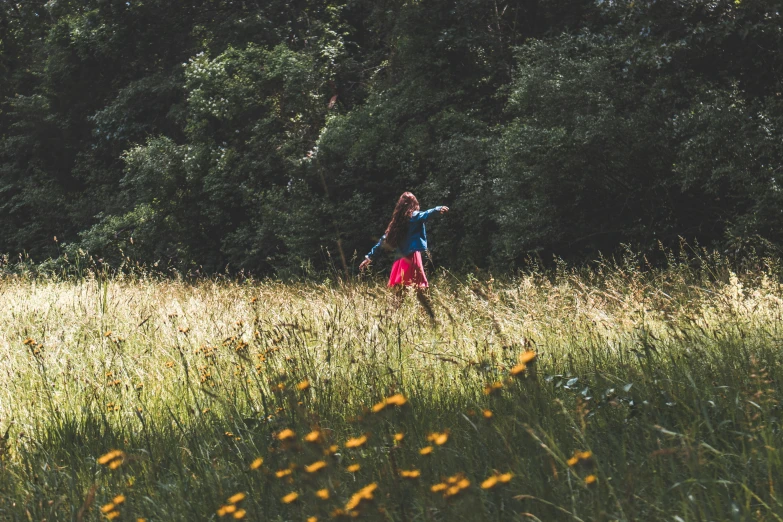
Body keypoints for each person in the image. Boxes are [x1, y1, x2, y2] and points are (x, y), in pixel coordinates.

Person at [359, 192, 449, 314]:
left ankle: (389, 318)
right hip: (412, 258)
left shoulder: (397, 223)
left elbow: (382, 241)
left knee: (399, 296)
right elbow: (426, 214)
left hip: (400, 260)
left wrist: (369, 257)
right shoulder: (414, 216)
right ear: (414, 204)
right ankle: (429, 318)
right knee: (421, 290)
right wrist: (438, 209)